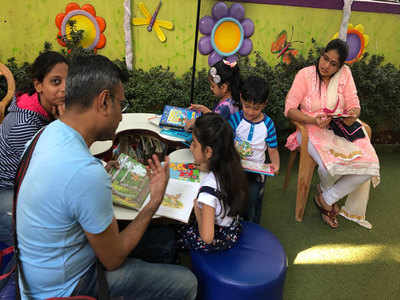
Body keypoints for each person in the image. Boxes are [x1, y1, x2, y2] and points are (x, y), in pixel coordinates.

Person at [16, 54, 197, 299]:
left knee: (163, 239)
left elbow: (64, 186)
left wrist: (100, 169)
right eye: (120, 105)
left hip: (33, 275)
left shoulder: (45, 135)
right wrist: (153, 201)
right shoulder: (84, 173)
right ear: (103, 101)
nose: (121, 116)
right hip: (67, 288)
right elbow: (113, 259)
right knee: (186, 282)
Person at [284, 39, 380, 229]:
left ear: (340, 66)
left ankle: (326, 198)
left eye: (333, 63)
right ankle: (327, 197)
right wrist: (313, 120)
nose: (326, 66)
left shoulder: (345, 75)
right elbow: (289, 110)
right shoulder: (305, 75)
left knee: (370, 165)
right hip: (310, 129)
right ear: (321, 54)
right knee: (328, 167)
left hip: (340, 129)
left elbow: (354, 104)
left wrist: (353, 114)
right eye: (325, 58)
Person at [0, 51, 68, 246]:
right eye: (56, 82)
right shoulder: (25, 124)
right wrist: (64, 125)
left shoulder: (48, 106)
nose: (64, 88)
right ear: (38, 85)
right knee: (47, 226)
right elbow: (53, 172)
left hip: (28, 179)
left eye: (68, 81)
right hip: (7, 189)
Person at [177, 113, 248, 252]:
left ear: (208, 151)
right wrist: (206, 166)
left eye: (194, 144)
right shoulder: (231, 164)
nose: (191, 147)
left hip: (220, 237)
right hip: (233, 226)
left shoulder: (208, 193)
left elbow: (207, 238)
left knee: (178, 233)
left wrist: (197, 209)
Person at [229, 76, 280, 224]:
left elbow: (272, 149)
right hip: (236, 168)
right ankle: (234, 223)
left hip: (257, 172)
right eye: (246, 106)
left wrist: (276, 164)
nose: (250, 112)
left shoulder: (268, 124)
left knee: (252, 201)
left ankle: (252, 225)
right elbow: (227, 140)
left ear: (264, 104)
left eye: (256, 108)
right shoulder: (235, 119)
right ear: (241, 99)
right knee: (234, 198)